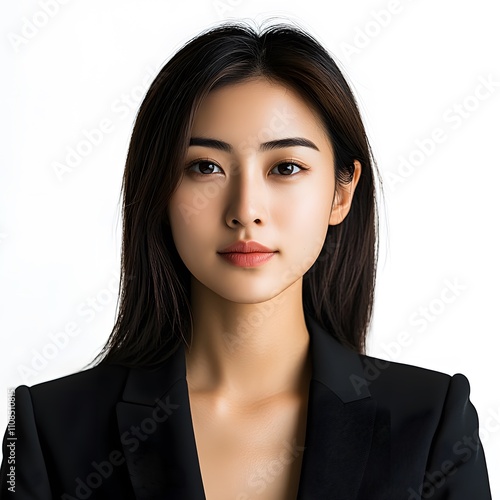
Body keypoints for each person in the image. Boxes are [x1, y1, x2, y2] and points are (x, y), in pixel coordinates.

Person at [0, 21, 492, 500]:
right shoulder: (50, 430)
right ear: (158, 191)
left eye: (286, 167)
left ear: (342, 193)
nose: (245, 211)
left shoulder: (430, 422)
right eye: (205, 167)